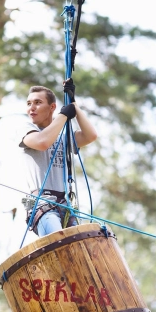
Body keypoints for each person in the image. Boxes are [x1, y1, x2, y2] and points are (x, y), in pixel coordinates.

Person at [16, 78, 97, 237]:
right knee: (58, 239)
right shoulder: (25, 129)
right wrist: (63, 115)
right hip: (40, 203)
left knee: (79, 245)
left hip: (64, 204)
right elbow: (42, 142)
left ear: (51, 107)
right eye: (28, 103)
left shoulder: (63, 137)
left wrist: (74, 105)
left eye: (37, 102)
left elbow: (90, 135)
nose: (31, 108)